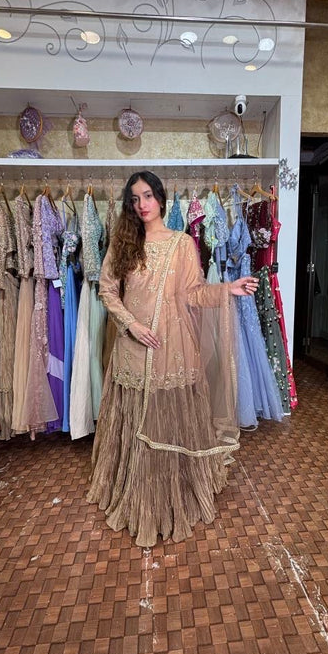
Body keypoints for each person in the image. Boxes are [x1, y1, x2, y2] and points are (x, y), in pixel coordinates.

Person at [86, 171, 260, 547]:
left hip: (172, 347)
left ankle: (174, 492)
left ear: (161, 199)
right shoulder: (123, 242)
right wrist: (131, 325)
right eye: (135, 199)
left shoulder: (182, 243)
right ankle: (138, 497)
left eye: (148, 196)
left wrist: (226, 289)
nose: (142, 204)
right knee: (136, 418)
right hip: (134, 348)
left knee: (169, 415)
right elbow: (107, 291)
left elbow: (194, 293)